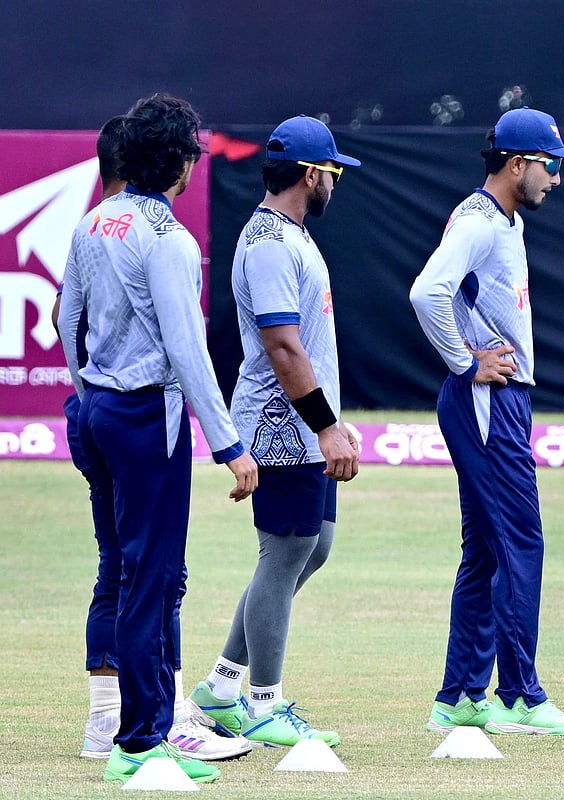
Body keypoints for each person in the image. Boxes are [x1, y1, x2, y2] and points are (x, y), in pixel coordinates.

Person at [58, 93, 259, 784]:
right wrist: (230, 443)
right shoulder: (170, 239)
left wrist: (88, 398)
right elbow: (186, 349)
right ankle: (142, 737)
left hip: (98, 410)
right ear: (179, 164)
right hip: (148, 417)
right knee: (153, 577)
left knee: (124, 568)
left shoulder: (94, 223)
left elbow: (66, 319)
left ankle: (127, 725)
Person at [410, 108, 564, 736]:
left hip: (495, 402)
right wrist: (466, 363)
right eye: (551, 165)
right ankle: (518, 696)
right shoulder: (481, 222)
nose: (557, 179)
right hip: (487, 401)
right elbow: (425, 290)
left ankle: (460, 696)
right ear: (517, 164)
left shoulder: (499, 220)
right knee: (521, 544)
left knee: (487, 550)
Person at [188, 116, 359, 748]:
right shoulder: (268, 243)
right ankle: (263, 700)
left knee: (312, 548)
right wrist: (325, 427)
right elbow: (283, 348)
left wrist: (334, 423)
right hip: (280, 425)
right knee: (285, 552)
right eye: (333, 173)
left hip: (307, 426)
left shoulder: (291, 236)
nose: (335, 184)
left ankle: (222, 685)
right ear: (311, 174)